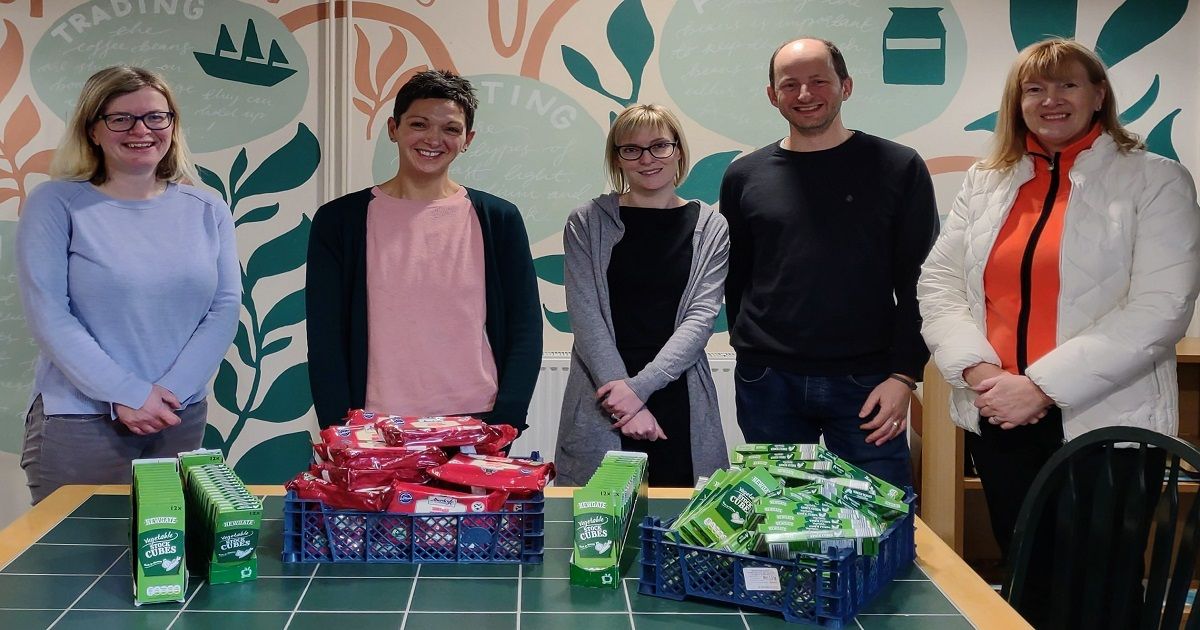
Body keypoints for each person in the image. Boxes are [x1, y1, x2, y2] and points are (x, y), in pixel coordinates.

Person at [918, 38, 1200, 626]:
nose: (1051, 99)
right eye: (1035, 88)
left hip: (1106, 425)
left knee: (1102, 592)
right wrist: (981, 373)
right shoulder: (986, 182)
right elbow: (940, 284)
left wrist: (1040, 387)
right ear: (1016, 102)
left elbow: (1161, 308)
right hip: (1001, 418)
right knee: (1025, 584)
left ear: (1098, 95)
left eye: (1068, 84)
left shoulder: (1155, 180)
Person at [719, 38, 938, 488]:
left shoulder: (899, 167)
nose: (804, 94)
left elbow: (920, 277)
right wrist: (750, 351)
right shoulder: (744, 176)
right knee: (776, 517)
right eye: (790, 84)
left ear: (846, 86)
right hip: (769, 381)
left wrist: (904, 375)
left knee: (880, 516)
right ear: (772, 95)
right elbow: (736, 276)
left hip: (868, 381)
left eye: (818, 81)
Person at [16, 66, 240, 504]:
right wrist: (129, 393)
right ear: (93, 130)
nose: (141, 130)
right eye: (121, 118)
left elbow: (224, 307)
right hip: (80, 421)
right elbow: (49, 315)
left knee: (168, 544)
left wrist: (167, 395)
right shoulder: (56, 203)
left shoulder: (207, 207)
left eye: (156, 117)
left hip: (177, 415)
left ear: (172, 125)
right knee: (79, 548)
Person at [306, 70, 542, 434]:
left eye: (451, 129)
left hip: (476, 420)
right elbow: (325, 336)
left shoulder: (499, 219)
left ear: (467, 139)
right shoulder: (339, 221)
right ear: (393, 128)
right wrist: (340, 428)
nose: (433, 139)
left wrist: (505, 421)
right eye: (419, 124)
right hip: (371, 424)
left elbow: (524, 327)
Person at [555, 104, 729, 487]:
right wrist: (626, 403)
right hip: (604, 394)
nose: (647, 159)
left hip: (678, 391)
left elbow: (700, 319)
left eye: (659, 146)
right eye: (631, 149)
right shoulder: (587, 222)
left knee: (684, 515)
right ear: (618, 158)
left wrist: (639, 389)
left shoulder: (711, 227)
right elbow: (585, 316)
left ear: (678, 150)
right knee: (600, 517)